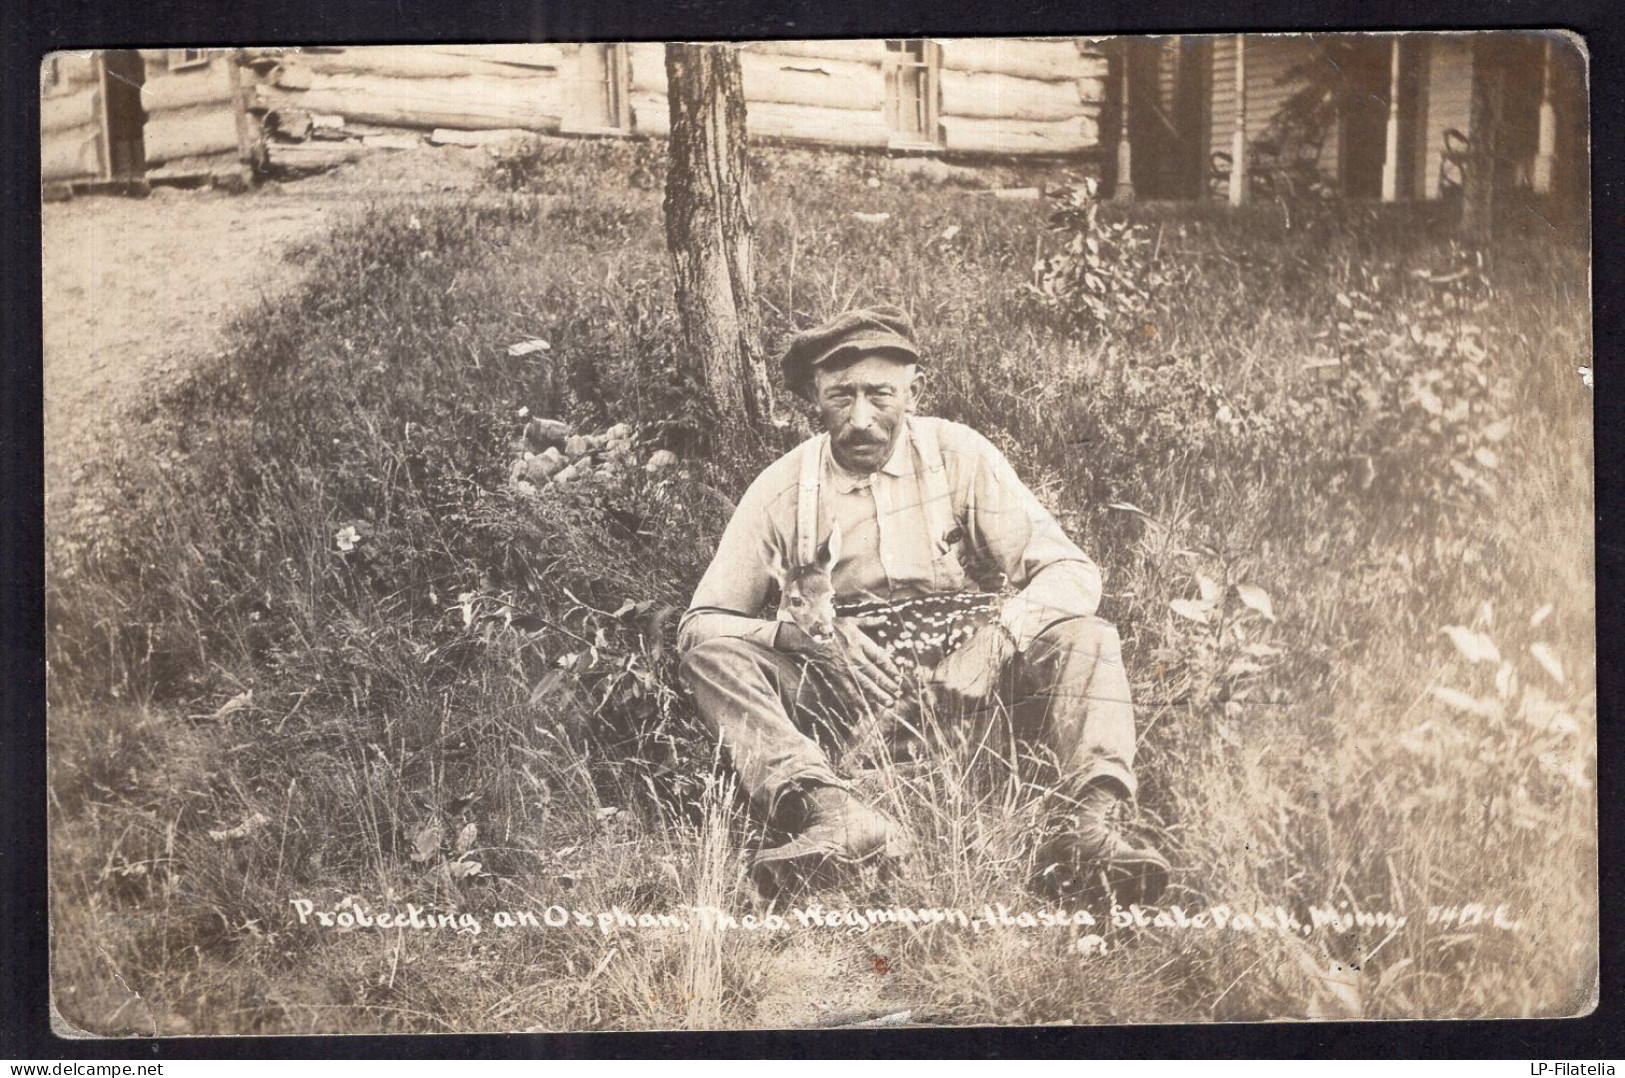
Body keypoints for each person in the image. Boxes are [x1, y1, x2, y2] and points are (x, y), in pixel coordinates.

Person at [677, 305, 1168, 905]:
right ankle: (835, 812)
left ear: (916, 390)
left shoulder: (959, 456)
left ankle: (1084, 828)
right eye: (840, 397)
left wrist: (997, 640)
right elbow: (701, 624)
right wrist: (798, 637)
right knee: (715, 659)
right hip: (842, 687)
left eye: (881, 396)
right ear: (814, 396)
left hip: (973, 677)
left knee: (1089, 637)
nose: (860, 420)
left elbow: (1071, 572)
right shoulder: (783, 490)